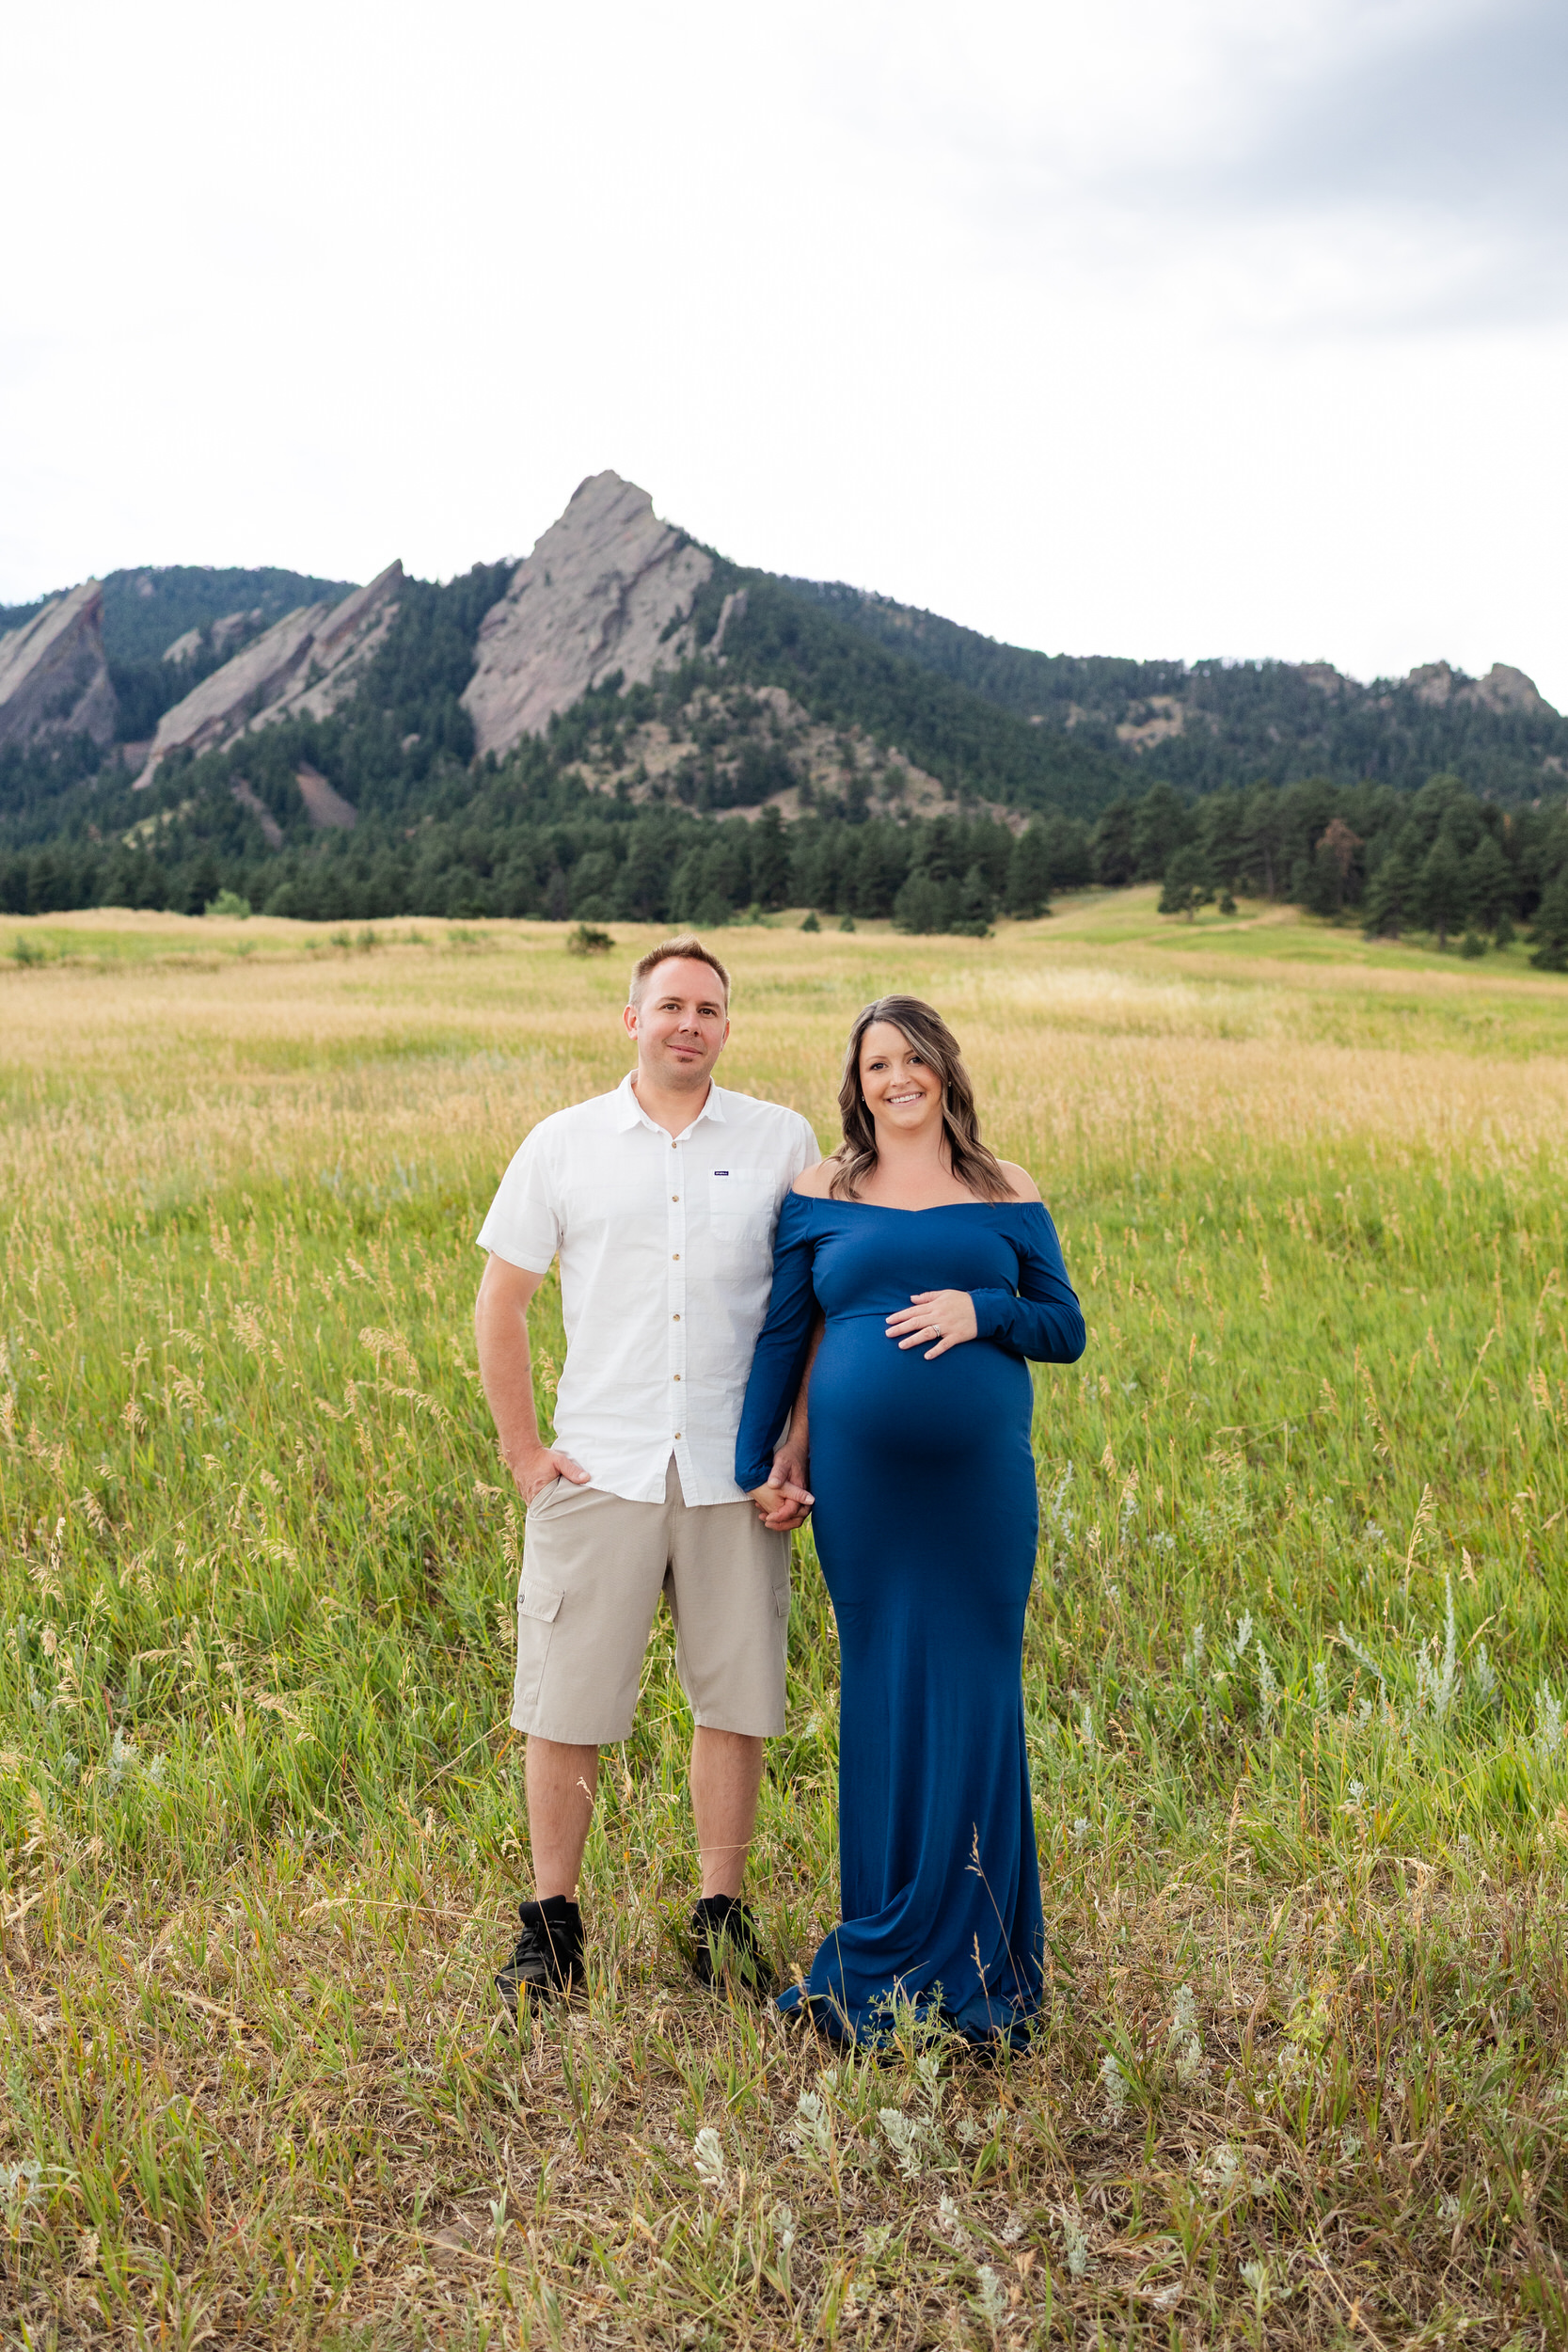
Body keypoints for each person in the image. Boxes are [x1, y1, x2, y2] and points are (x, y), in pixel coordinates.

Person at [475, 935, 818, 2010]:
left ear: (727, 1025)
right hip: (601, 1466)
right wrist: (526, 1454)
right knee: (565, 1703)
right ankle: (552, 1925)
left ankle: (719, 1919)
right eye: (669, 1004)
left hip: (733, 1469)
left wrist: (793, 1445)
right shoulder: (564, 1143)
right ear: (631, 1019)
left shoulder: (779, 1139)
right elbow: (502, 1302)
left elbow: (803, 1311)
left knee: (736, 1697)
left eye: (709, 1009)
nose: (689, 1023)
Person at [736, 995, 1085, 2045]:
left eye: (913, 1058)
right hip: (864, 1490)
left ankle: (981, 1953)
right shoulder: (819, 1192)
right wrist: (764, 1459)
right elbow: (779, 1336)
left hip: (979, 1487)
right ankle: (886, 1936)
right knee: (883, 1685)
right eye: (877, 1061)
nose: (897, 1077)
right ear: (857, 1080)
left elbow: (1064, 1326)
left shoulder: (1003, 1188)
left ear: (943, 1070)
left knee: (976, 1687)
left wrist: (983, 1310)